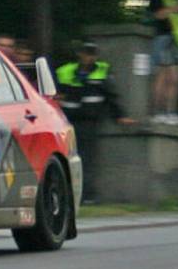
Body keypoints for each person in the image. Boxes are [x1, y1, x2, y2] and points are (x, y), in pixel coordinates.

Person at [56, 42, 135, 204]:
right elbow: (57, 94)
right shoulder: (66, 71)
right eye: (86, 53)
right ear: (80, 54)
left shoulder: (101, 71)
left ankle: (86, 196)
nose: (88, 57)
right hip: (66, 121)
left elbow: (112, 96)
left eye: (92, 54)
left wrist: (120, 116)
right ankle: (65, 194)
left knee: (86, 160)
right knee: (65, 159)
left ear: (96, 56)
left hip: (88, 122)